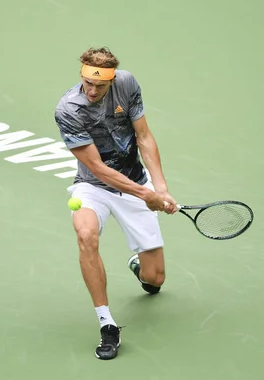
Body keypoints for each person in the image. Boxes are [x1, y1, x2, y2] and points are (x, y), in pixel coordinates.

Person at [54, 47, 177, 360]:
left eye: (99, 85)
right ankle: (107, 323)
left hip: (135, 181)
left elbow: (144, 137)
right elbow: (97, 168)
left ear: (111, 81)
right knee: (85, 234)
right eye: (87, 83)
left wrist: (160, 188)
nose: (92, 90)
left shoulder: (127, 83)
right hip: (93, 186)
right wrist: (146, 195)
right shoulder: (69, 109)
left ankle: (139, 266)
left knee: (155, 279)